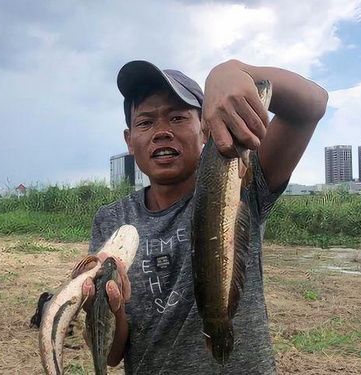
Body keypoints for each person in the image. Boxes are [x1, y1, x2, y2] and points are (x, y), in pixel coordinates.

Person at [81, 59, 328, 374]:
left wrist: (235, 72)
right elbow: (113, 354)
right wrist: (107, 311)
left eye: (178, 117)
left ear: (205, 127)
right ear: (130, 141)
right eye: (146, 122)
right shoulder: (112, 219)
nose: (161, 132)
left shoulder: (243, 183)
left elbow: (313, 105)